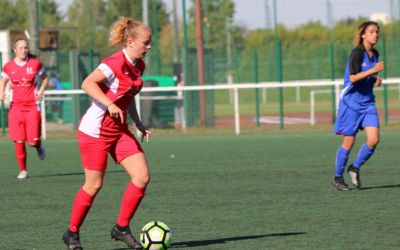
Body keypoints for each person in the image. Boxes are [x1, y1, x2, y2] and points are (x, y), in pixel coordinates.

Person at [62, 17, 152, 250]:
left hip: (119, 130)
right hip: (96, 131)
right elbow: (87, 83)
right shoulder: (113, 63)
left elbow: (128, 97)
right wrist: (109, 104)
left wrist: (138, 123)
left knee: (141, 177)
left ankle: (121, 228)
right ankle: (71, 233)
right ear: (131, 41)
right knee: (93, 185)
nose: (149, 46)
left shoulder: (139, 65)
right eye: (146, 42)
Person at [332, 21, 384, 191]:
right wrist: (372, 71)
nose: (375, 34)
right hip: (351, 103)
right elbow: (353, 78)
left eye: (377, 31)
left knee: (374, 139)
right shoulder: (356, 52)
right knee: (349, 141)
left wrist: (375, 79)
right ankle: (338, 177)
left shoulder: (374, 53)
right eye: (371, 31)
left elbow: (366, 77)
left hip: (367, 103)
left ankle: (354, 167)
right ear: (363, 35)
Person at [0, 39, 48, 179]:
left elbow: (45, 78)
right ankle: (23, 170)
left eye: (26, 48)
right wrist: (1, 91)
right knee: (18, 140)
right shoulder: (8, 66)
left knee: (32, 141)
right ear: (15, 50)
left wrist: (42, 90)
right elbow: (3, 80)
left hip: (32, 106)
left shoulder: (35, 64)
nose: (24, 50)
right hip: (16, 108)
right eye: (20, 48)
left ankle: (38, 145)